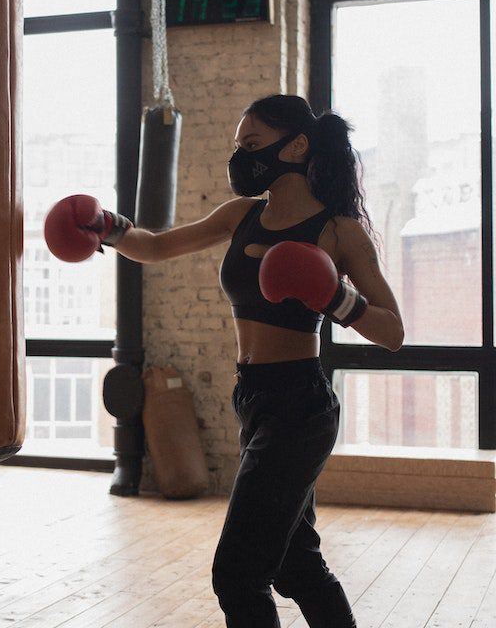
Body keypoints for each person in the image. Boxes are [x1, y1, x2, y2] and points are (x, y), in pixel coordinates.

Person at [43, 93, 404, 628]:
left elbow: (393, 332)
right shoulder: (241, 215)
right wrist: (109, 227)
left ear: (298, 146)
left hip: (300, 406)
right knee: (296, 565)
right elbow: (157, 246)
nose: (242, 159)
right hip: (253, 398)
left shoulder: (337, 230)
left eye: (253, 145)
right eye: (239, 148)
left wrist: (335, 299)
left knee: (237, 575)